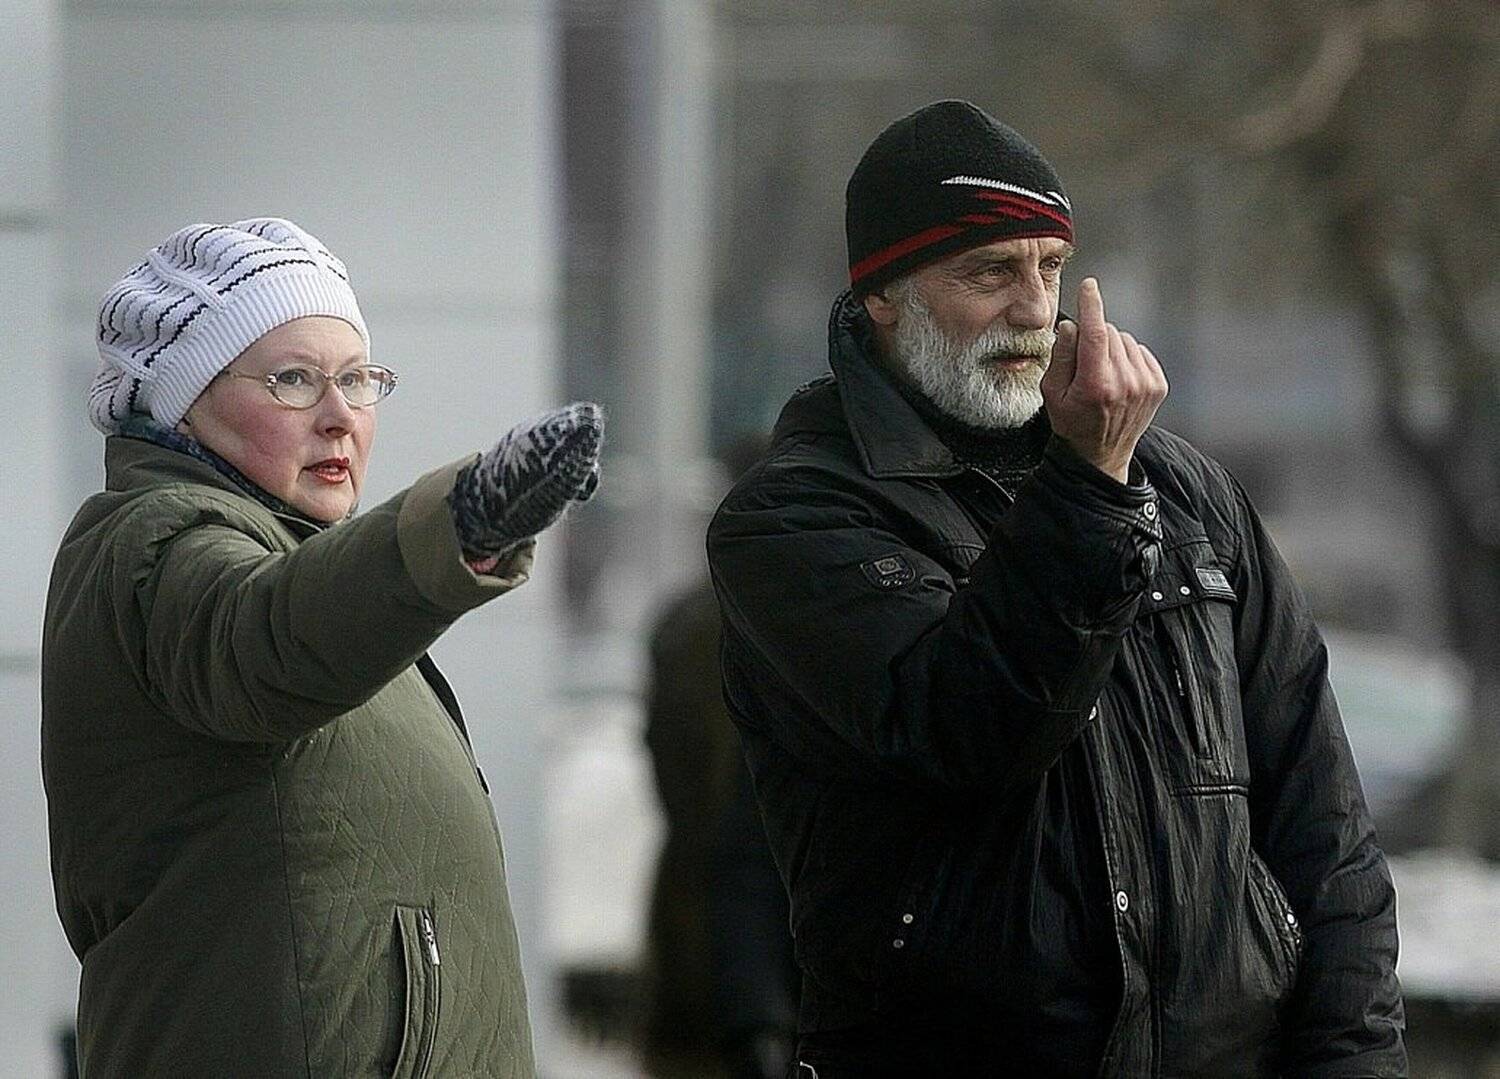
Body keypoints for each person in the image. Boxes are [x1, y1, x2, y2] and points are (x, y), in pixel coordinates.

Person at [706, 102, 1407, 1076]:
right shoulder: (794, 520)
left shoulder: (1189, 492)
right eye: (989, 272)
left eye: (1048, 265)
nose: (1036, 309)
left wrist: (1354, 1063)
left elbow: (1323, 826)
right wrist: (1088, 486)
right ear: (882, 293)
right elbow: (971, 729)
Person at [41, 217, 602, 1078]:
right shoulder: (157, 545)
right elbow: (259, 638)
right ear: (183, 402)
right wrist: (461, 519)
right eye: (294, 380)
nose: (340, 416)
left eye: (357, 380)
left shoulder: (300, 561)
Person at [639, 442, 798, 1079]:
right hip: (767, 954)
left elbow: (662, 765)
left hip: (693, 935)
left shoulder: (684, 622)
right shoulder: (789, 621)